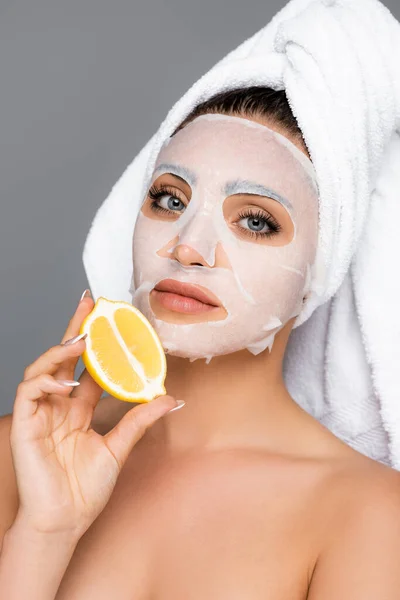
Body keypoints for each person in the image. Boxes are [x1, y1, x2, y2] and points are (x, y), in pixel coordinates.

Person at [0, 85, 399, 600]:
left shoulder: (369, 513)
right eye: (170, 200)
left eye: (256, 221)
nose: (187, 246)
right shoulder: (21, 455)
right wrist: (44, 533)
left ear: (320, 269)